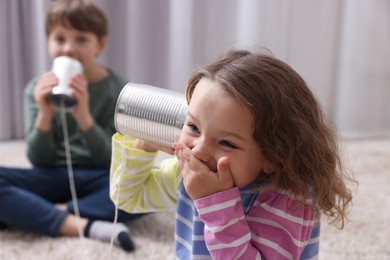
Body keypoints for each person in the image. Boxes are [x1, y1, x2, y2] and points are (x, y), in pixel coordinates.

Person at [109, 49, 355, 259]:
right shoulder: (193, 174)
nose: (200, 150)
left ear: (274, 155)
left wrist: (215, 204)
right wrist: (143, 148)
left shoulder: (289, 200)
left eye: (226, 142)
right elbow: (127, 197)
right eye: (193, 127)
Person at [0, 0, 141, 252]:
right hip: (51, 175)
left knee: (143, 186)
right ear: (48, 42)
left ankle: (40, 210)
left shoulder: (119, 90)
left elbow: (110, 160)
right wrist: (44, 114)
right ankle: (86, 225)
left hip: (98, 176)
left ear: (101, 44)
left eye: (81, 40)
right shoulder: (36, 89)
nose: (68, 49)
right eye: (60, 39)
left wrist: (84, 117)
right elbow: (38, 159)